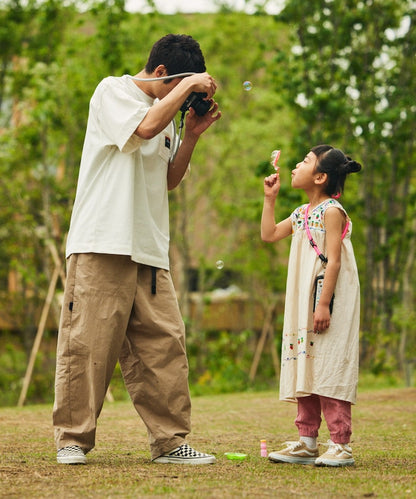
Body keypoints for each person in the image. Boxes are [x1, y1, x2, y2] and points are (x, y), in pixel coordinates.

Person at [53, 34, 221, 465]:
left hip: (149, 249)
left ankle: (169, 442)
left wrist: (191, 136)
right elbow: (142, 128)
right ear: (163, 73)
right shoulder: (112, 91)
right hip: (102, 242)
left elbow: (167, 180)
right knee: (87, 346)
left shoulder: (166, 115)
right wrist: (188, 87)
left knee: (164, 347)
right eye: (179, 87)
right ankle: (73, 438)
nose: (183, 100)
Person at [261, 145, 361, 467]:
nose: (295, 165)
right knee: (306, 361)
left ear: (320, 177)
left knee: (328, 364)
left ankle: (340, 444)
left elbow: (333, 262)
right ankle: (306, 441)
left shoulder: (332, 211)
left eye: (304, 161)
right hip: (305, 301)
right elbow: (269, 234)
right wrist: (269, 199)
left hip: (328, 300)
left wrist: (324, 305)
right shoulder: (301, 213)